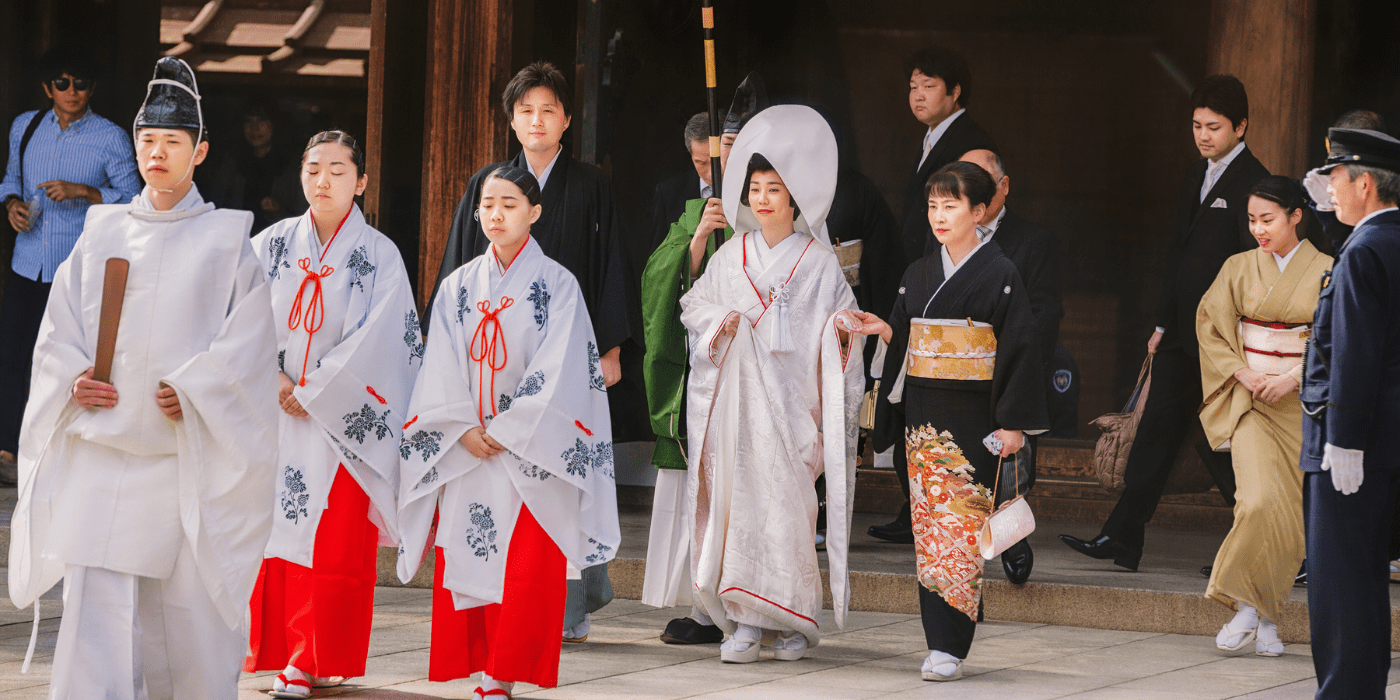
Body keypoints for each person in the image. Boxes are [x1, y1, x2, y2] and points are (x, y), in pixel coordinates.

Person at [7, 56, 278, 700]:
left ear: (200, 151)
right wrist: (74, 378)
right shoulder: (102, 232)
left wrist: (195, 389)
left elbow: (247, 348)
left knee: (182, 615)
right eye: (147, 141)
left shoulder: (226, 242)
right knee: (96, 610)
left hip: (181, 456)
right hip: (104, 450)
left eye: (172, 143)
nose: (157, 154)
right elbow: (59, 329)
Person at [426, 61, 635, 640]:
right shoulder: (489, 184)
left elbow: (609, 265)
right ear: (511, 120)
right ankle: (495, 602)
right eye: (525, 110)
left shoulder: (591, 184)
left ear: (568, 119)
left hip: (566, 359)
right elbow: (459, 272)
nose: (537, 120)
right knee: (497, 487)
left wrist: (611, 347)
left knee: (560, 473)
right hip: (497, 364)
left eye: (549, 109)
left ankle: (570, 605)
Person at [397, 166, 619, 699]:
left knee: (524, 570)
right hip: (469, 448)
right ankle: (481, 667)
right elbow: (439, 364)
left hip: (531, 454)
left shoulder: (559, 285)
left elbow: (562, 369)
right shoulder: (457, 286)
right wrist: (463, 427)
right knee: (472, 555)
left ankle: (502, 673)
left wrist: (510, 428)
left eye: (510, 204)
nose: (496, 214)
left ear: (534, 212)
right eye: (488, 204)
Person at [679, 105, 865, 664]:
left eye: (774, 189)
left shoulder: (819, 264)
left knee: (790, 516)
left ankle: (791, 622)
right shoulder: (731, 255)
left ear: (794, 198)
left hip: (792, 412)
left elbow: (843, 324)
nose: (762, 199)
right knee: (743, 512)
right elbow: (695, 306)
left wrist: (841, 335)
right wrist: (722, 325)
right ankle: (742, 622)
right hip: (740, 415)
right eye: (755, 188)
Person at [1060, 75, 1268, 570]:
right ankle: (1123, 536)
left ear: (1240, 126)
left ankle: (1263, 541)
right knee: (1156, 427)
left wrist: (1242, 332)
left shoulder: (1254, 181)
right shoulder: (1194, 175)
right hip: (1181, 329)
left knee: (1216, 438)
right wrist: (1160, 323)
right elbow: (1177, 254)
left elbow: (1252, 263)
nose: (1203, 135)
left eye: (1214, 127)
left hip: (1222, 334)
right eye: (1196, 125)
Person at [243, 131, 423, 698]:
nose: (323, 181)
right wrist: (270, 376)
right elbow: (236, 320)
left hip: (342, 425)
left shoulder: (380, 255)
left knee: (332, 539)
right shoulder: (269, 244)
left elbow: (385, 342)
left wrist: (316, 390)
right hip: (272, 413)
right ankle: (278, 652)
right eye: (313, 168)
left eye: (338, 170)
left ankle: (311, 657)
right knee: (271, 532)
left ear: (361, 181)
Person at [855, 161, 1047, 681]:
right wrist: (886, 332)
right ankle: (939, 640)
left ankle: (949, 646)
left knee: (960, 528)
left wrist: (1012, 424)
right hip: (923, 417)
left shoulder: (1001, 273)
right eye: (933, 206)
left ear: (979, 211)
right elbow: (907, 335)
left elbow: (1018, 349)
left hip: (973, 418)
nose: (938, 216)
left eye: (951, 206)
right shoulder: (919, 272)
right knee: (929, 530)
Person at [639, 75, 760, 647]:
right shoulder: (682, 199)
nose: (711, 172)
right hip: (701, 372)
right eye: (703, 161)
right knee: (696, 488)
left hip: (756, 372)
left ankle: (748, 601)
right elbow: (660, 279)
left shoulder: (769, 203)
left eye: (724, 158)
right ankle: (700, 601)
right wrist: (696, 238)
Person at [1196, 176, 1330, 657]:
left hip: (1301, 406)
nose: (1258, 229)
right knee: (1254, 502)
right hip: (1251, 400)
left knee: (1287, 518)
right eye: (1251, 220)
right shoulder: (1237, 267)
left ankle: (1267, 616)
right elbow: (1211, 324)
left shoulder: (1327, 270)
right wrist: (1241, 373)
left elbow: (1333, 336)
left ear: (1297, 216)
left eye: (1267, 219)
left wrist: (1294, 376)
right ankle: (1247, 608)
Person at [914, 147, 1062, 584]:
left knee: (1007, 461)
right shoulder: (939, 239)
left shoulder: (1032, 241)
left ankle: (1011, 536)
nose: (943, 211)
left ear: (997, 190)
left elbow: (1042, 315)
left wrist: (1014, 365)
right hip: (947, 379)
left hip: (1004, 364)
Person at [870, 46, 996, 545]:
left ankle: (947, 510)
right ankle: (918, 505)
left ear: (955, 91)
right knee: (902, 404)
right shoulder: (930, 139)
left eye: (929, 86)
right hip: (920, 281)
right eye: (912, 87)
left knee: (926, 407)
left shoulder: (968, 143)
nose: (918, 96)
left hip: (947, 294)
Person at [0, 48, 141, 486]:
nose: (72, 91)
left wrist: (86, 191)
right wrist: (11, 206)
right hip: (28, 263)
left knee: (68, 362)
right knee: (11, 355)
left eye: (80, 82)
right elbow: (10, 180)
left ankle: (62, 449)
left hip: (78, 271)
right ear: (48, 89)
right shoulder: (25, 127)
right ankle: (7, 450)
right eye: (62, 83)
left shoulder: (112, 137)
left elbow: (137, 199)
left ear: (92, 88)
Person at [1299, 128, 1400, 700]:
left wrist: (1343, 438)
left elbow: (1356, 352)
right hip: (1380, 438)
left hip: (1350, 442)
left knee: (1341, 585)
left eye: (1337, 179)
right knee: (1361, 580)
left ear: (1365, 183)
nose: (1331, 190)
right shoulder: (1388, 241)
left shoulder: (1363, 249)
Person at [202, 103, 305, 233]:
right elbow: (216, 204)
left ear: (275, 124)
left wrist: (278, 212)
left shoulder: (293, 167)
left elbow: (304, 217)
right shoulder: (233, 161)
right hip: (236, 239)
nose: (254, 128)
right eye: (248, 121)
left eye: (262, 120)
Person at [648, 112, 716, 253]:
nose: (710, 173)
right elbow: (659, 257)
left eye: (716, 162)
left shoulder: (750, 189)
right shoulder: (668, 193)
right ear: (691, 156)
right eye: (701, 163)